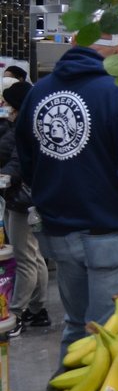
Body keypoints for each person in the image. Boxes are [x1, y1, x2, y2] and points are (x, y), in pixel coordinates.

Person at [16, 32, 118, 353]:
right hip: (113, 234)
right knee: (113, 334)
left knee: (77, 326)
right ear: (117, 49)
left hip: (59, 233)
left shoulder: (39, 93)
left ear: (72, 42)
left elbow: (28, 163)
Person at [0, 79, 47, 332]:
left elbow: (17, 163)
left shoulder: (24, 128)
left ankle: (16, 313)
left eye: (7, 103)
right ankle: (38, 309)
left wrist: (4, 177)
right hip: (24, 199)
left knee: (24, 257)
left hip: (21, 200)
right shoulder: (22, 124)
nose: (4, 107)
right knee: (34, 255)